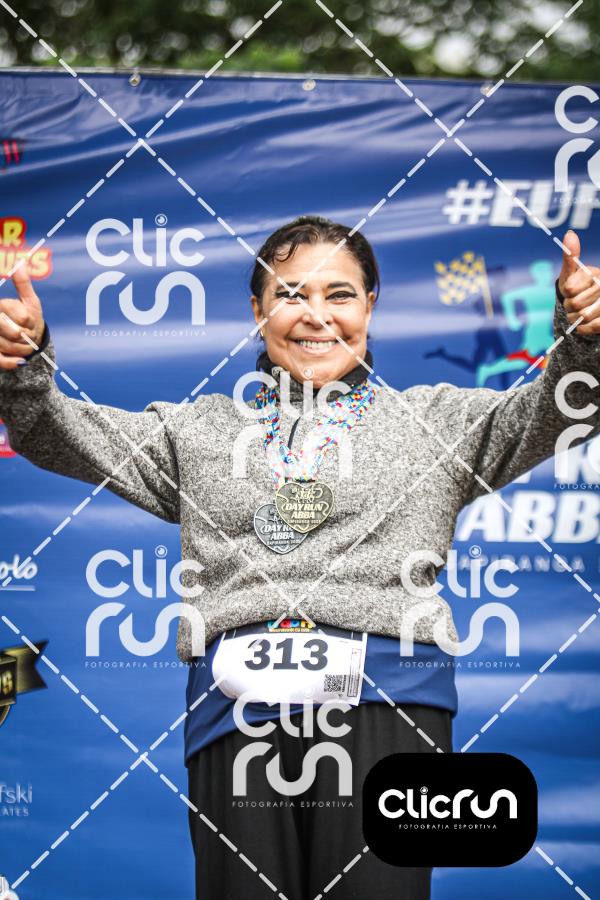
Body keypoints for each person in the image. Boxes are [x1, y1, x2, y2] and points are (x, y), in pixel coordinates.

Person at [0, 216, 599, 899]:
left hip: (391, 704)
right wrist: (24, 363)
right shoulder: (195, 431)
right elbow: (56, 432)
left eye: (340, 294)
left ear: (370, 304)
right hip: (236, 713)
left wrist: (583, 336)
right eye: (291, 294)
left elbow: (563, 409)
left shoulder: (439, 421)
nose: (317, 315)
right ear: (257, 310)